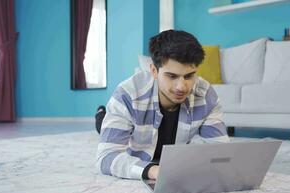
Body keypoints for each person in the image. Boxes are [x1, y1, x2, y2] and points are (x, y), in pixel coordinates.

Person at [96, 30, 230, 180]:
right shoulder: (127, 95)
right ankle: (101, 115)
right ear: (154, 70)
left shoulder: (205, 96)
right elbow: (106, 157)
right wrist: (153, 171)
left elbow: (222, 153)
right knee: (102, 126)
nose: (181, 87)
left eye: (189, 76)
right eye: (172, 76)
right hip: (131, 120)